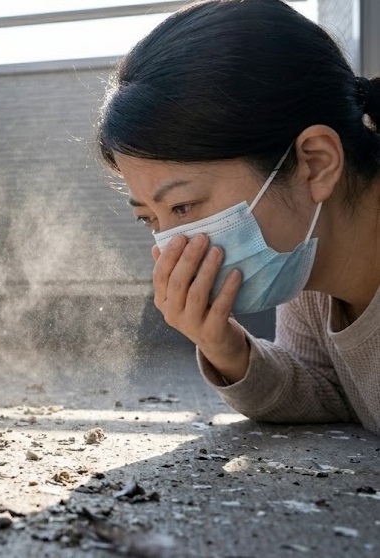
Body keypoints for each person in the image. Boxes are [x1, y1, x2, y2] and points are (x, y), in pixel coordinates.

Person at [97, 0, 380, 435]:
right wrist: (226, 349)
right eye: (150, 219)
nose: (173, 244)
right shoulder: (311, 271)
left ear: (316, 163)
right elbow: (333, 389)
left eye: (184, 207)